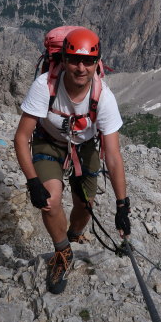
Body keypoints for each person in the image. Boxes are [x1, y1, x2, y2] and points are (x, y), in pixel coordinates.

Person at [14, 27, 131, 294]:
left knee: (85, 204)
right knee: (49, 200)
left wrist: (122, 204)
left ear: (97, 63)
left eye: (88, 61)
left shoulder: (104, 97)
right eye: (75, 60)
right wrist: (33, 182)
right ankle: (63, 250)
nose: (81, 68)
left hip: (85, 145)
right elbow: (21, 138)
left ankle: (75, 235)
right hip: (49, 142)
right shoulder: (45, 86)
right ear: (64, 60)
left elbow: (113, 155)